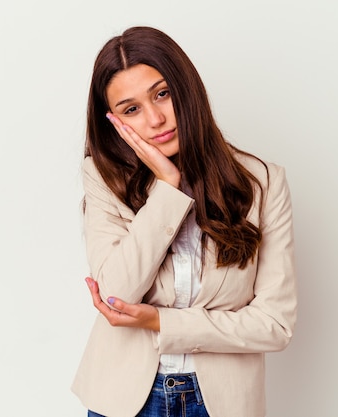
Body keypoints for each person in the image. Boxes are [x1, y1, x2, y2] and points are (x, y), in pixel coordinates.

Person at [71, 26, 297, 417]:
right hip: (125, 400)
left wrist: (162, 322)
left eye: (162, 93)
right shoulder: (103, 178)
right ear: (116, 122)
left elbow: (274, 325)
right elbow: (116, 296)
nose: (155, 119)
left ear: (186, 88)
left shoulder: (262, 182)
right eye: (131, 109)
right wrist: (168, 188)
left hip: (222, 404)